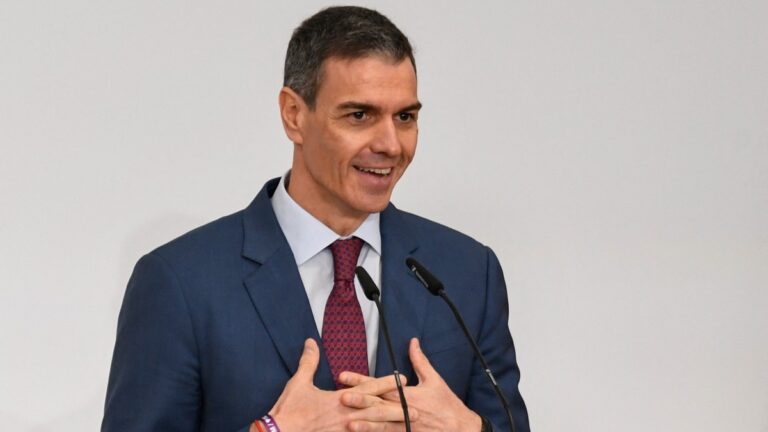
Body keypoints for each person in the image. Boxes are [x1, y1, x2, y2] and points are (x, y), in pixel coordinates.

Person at [102, 6, 529, 432]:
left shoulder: (468, 274)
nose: (390, 144)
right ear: (293, 115)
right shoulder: (181, 284)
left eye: (405, 117)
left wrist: (474, 431)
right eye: (359, 115)